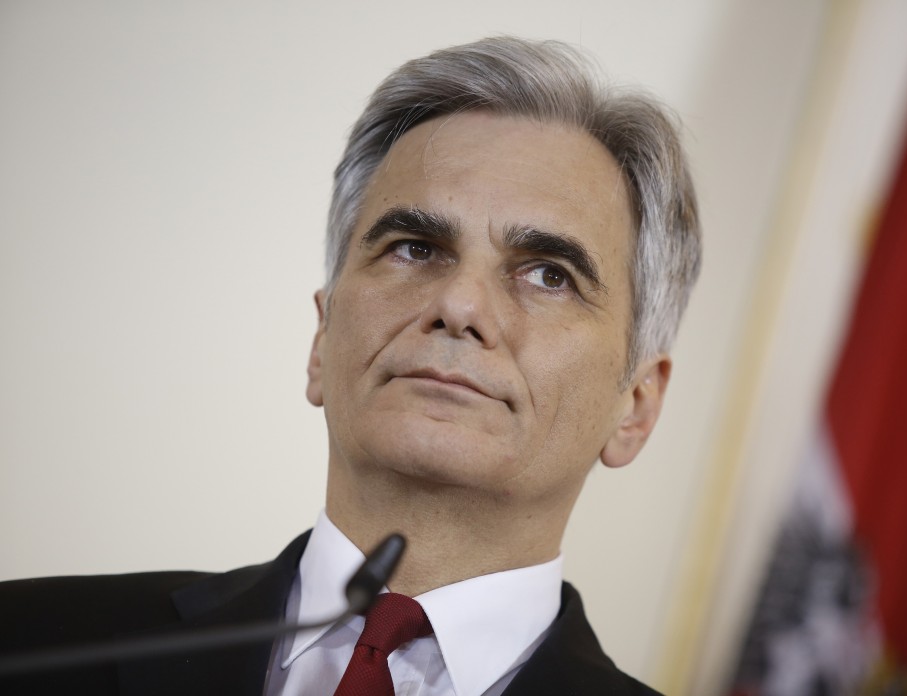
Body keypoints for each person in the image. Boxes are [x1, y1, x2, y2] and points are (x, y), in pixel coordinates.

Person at [0, 36, 701, 695]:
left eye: (549, 274)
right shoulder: (29, 644)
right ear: (321, 337)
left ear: (636, 405)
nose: (458, 304)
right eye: (415, 247)